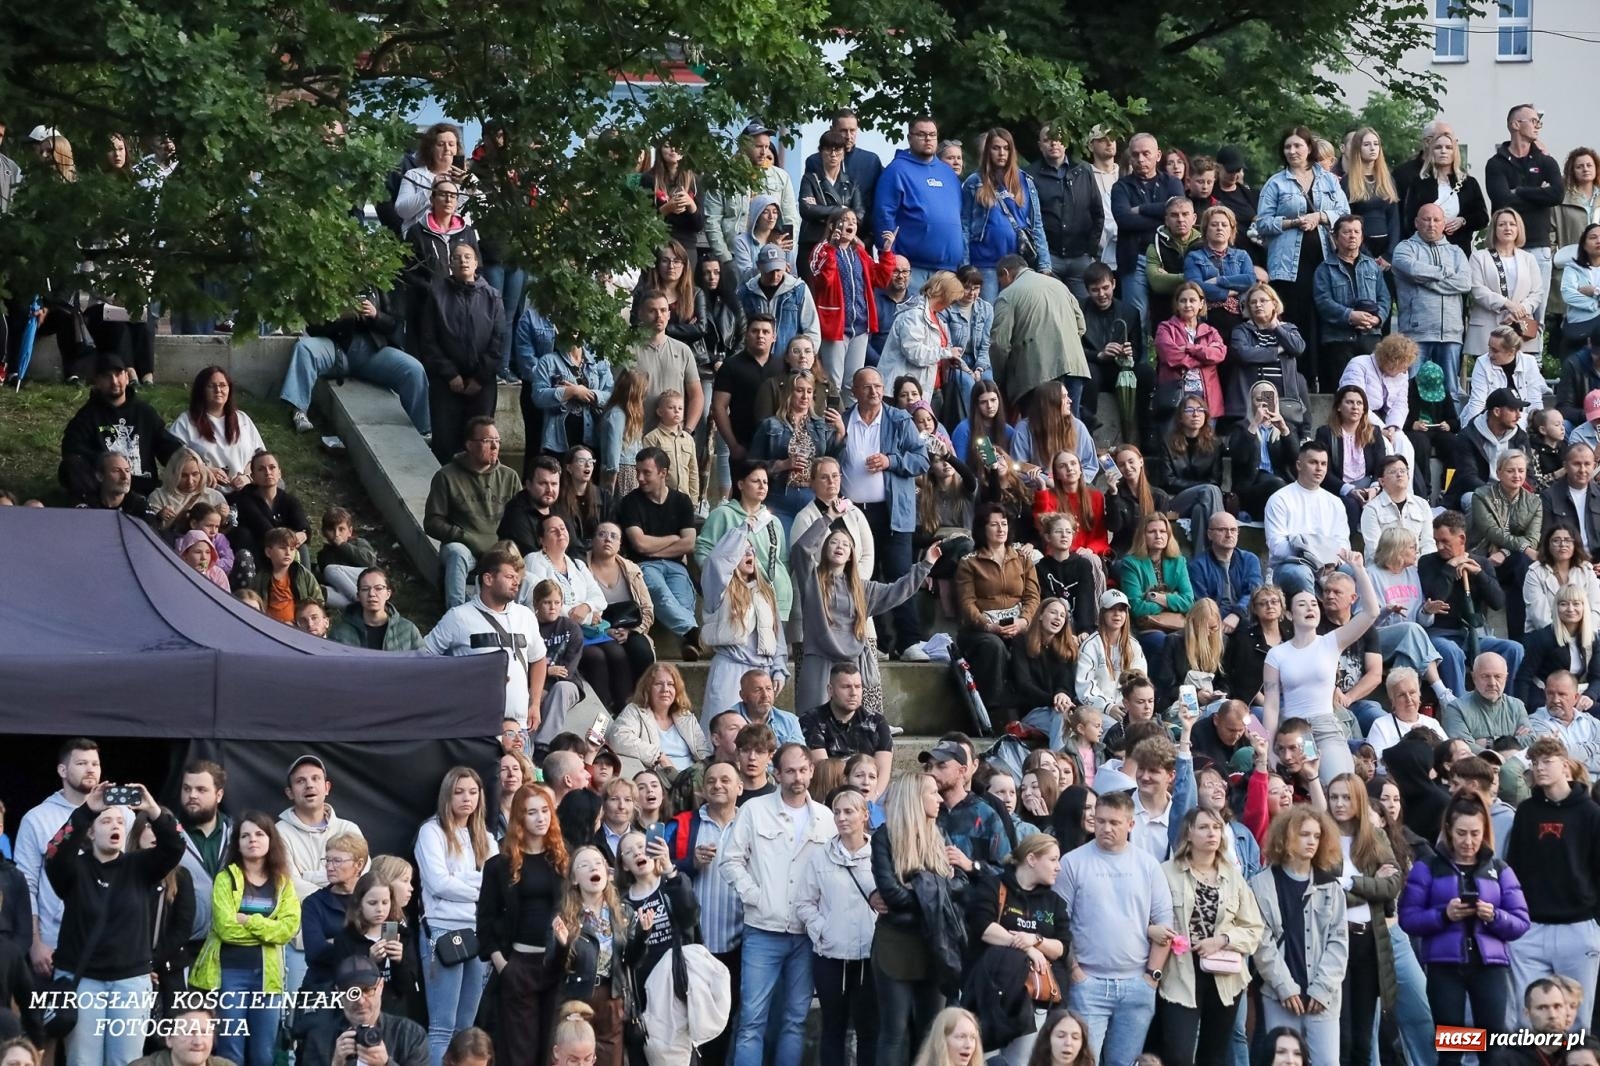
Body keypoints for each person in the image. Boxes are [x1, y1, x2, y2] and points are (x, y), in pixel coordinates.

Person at [45, 781, 183, 1066]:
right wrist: (85, 812)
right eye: (105, 821)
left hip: (130, 982)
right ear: (91, 832)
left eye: (119, 821)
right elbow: (54, 853)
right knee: (83, 1061)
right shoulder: (74, 869)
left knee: (127, 1062)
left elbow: (176, 845)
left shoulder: (140, 865)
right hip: (83, 981)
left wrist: (154, 810)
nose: (114, 826)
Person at [718, 744, 835, 1066]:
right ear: (777, 773)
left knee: (795, 1020)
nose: (797, 777)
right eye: (790, 771)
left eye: (802, 770)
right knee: (752, 1020)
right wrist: (754, 896)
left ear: (811, 770)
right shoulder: (755, 810)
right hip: (763, 930)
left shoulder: (826, 818)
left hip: (806, 933)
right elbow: (729, 861)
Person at [1053, 787, 1172, 1066]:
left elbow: (1165, 924)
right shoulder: (1071, 863)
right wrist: (1075, 971)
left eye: (1114, 822)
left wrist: (1151, 978)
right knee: (1083, 1062)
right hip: (1087, 983)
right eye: (1100, 821)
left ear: (1131, 824)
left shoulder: (1148, 865)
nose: (1106, 827)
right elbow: (1060, 924)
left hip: (1136, 985)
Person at [792, 499, 934, 714]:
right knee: (811, 723)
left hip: (850, 663)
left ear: (852, 555)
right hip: (819, 661)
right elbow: (801, 550)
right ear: (824, 549)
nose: (840, 546)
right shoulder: (812, 580)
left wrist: (925, 565)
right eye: (833, 542)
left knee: (849, 726)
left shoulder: (863, 588)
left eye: (845, 544)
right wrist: (828, 517)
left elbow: (898, 591)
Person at [1154, 807, 1264, 1066]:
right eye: (1203, 827)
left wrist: (1222, 940)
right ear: (1189, 833)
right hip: (1179, 972)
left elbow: (1253, 928)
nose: (1211, 833)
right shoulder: (1166, 872)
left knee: (1213, 1056)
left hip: (1224, 975)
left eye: (1216, 828)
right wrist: (1153, 930)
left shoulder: (1233, 876)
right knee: (1177, 1054)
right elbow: (1147, 918)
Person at [187, 811, 298, 1066]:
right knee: (230, 1051)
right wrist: (268, 928)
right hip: (230, 975)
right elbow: (226, 929)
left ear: (271, 839)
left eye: (259, 834)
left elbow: (288, 929)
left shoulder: (283, 882)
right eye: (245, 835)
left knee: (263, 1054)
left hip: (267, 980)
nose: (252, 840)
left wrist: (249, 920)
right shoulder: (226, 878)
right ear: (236, 843)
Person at [871, 773, 966, 1066]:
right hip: (895, 946)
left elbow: (961, 884)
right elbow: (891, 894)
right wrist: (935, 888)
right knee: (894, 1032)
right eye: (932, 793)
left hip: (935, 943)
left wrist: (921, 887)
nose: (939, 799)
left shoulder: (940, 833)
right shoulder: (884, 837)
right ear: (913, 799)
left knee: (931, 1032)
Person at [1262, 549, 1378, 784]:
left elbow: (1371, 612)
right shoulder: (1276, 654)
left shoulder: (1331, 642)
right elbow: (1272, 706)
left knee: (1340, 786)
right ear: (1289, 614)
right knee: (1307, 792)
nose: (1310, 608)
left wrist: (1358, 569)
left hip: (1325, 725)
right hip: (1294, 731)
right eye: (1302, 604)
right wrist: (1269, 749)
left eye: (1314, 604)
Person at [1248, 806, 1348, 1066]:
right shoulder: (1261, 884)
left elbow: (1339, 943)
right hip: (1279, 994)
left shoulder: (1330, 886)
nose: (1312, 841)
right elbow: (1262, 943)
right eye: (1305, 834)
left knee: (1327, 1061)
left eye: (1316, 836)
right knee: (1281, 1062)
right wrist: (1285, 987)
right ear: (1287, 836)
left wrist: (1322, 988)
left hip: (1323, 997)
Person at [1254, 126, 1352, 390]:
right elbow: (1261, 224)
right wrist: (1292, 222)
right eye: (1288, 147)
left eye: (1297, 146)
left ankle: (1328, 382)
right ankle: (1298, 383)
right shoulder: (1275, 182)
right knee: (1295, 320)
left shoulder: (1330, 180)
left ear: (1309, 148)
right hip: (1288, 267)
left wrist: (1319, 217)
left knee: (1323, 320)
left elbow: (1344, 213)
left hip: (1325, 261)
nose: (1292, 151)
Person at [960, 833, 1069, 1066]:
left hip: (1032, 997)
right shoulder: (993, 885)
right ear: (1031, 859)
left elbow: (1062, 947)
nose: (1058, 867)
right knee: (983, 1060)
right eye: (1053, 860)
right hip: (989, 993)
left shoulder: (1054, 901)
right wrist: (1027, 948)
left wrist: (1036, 941)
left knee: (1022, 1062)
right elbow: (983, 927)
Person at [793, 785, 880, 1066]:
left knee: (869, 1030)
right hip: (831, 955)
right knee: (833, 1028)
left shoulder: (881, 856)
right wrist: (822, 930)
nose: (842, 817)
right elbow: (805, 902)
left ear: (864, 815)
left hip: (870, 956)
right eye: (837, 812)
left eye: (849, 811)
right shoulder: (820, 856)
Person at [414, 768, 492, 1064]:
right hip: (442, 931)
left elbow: (495, 881)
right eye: (459, 792)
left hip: (478, 933)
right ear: (447, 794)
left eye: (473, 792)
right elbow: (437, 882)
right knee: (442, 1028)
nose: (467, 798)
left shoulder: (483, 835)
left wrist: (459, 880)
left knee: (466, 1030)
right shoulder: (431, 831)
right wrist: (476, 884)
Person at [424, 545, 548, 729]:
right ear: (488, 579)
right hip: (473, 724)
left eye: (517, 578)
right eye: (509, 577)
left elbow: (538, 659)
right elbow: (424, 655)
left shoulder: (526, 615)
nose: (516, 583)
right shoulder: (458, 617)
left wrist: (535, 704)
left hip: (518, 726)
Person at [418, 242, 504, 464]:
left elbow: (498, 341)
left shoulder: (493, 297)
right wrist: (450, 374)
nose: (463, 261)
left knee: (482, 444)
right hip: (446, 383)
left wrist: (480, 377)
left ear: (476, 263)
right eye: (457, 257)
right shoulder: (436, 295)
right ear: (450, 264)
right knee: (445, 444)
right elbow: (428, 340)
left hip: (482, 384)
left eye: (468, 256)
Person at [1420, 510, 1529, 685]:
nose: (1439, 547)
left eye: (1445, 541)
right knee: (1451, 650)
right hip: (1440, 635)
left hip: (1475, 635)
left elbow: (1498, 602)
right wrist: (1449, 569)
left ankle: (1507, 705)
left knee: (1514, 649)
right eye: (1436, 541)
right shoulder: (1427, 562)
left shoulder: (1482, 563)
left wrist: (1479, 574)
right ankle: (1458, 706)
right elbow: (1436, 597)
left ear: (1461, 539)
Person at [424, 416, 522, 609]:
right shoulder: (446, 476)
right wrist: (462, 536)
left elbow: (520, 518)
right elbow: (432, 522)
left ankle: (515, 616)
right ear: (469, 444)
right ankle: (455, 614)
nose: (494, 447)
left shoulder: (510, 477)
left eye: (497, 441)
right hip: (466, 548)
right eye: (487, 441)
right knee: (456, 552)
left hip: (501, 550)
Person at [59, 353, 183, 502]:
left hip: (143, 488)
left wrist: (195, 463)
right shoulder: (87, 416)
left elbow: (167, 446)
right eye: (107, 376)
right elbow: (72, 450)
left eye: (118, 374)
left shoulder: (144, 412)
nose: (114, 381)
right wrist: (105, 464)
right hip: (105, 492)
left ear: (126, 376)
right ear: (97, 381)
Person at [617, 448, 702, 654]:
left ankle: (692, 643)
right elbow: (639, 545)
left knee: (684, 601)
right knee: (662, 596)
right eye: (638, 472)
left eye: (646, 472)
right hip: (644, 566)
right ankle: (697, 637)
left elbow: (689, 543)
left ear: (663, 473)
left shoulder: (681, 501)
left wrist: (654, 549)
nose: (640, 478)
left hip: (676, 566)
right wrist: (673, 539)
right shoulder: (630, 502)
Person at [1485, 104, 1565, 316]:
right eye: (1533, 120)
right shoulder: (1496, 164)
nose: (1538, 125)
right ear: (1515, 125)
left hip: (1539, 247)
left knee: (1535, 317)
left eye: (1539, 121)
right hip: (1505, 248)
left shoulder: (1547, 161)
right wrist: (1539, 194)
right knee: (1507, 315)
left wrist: (1518, 191)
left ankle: (1533, 352)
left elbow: (1557, 195)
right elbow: (1502, 200)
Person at [1393, 203, 1473, 406]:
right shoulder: (1404, 249)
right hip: (1416, 332)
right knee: (1413, 390)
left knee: (1451, 391)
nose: (1431, 224)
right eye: (1426, 219)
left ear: (1444, 223)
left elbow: (1464, 283)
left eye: (1436, 220)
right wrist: (1443, 272)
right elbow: (1411, 269)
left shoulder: (1456, 252)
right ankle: (1414, 431)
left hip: (1451, 333)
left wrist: (1427, 279)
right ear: (1417, 223)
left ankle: (1452, 432)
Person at [962, 128, 1053, 301]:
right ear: (988, 150)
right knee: (988, 317)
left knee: (1018, 319)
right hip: (984, 263)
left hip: (1017, 265)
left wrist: (1045, 263)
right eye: (996, 148)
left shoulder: (1025, 181)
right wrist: (965, 265)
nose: (1002, 153)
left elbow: (1037, 225)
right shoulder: (974, 182)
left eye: (1006, 148)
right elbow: (964, 225)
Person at [874, 117, 966, 286]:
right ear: (910, 138)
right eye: (922, 134)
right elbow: (884, 215)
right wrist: (889, 256)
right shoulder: (896, 170)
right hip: (911, 268)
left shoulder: (948, 174)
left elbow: (961, 218)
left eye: (932, 135)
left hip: (949, 270)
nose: (928, 139)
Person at [1111, 133, 1185, 328]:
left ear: (1158, 155)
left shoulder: (1172, 183)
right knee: (1137, 317)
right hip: (1136, 258)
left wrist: (1141, 210)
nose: (1140, 159)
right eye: (1135, 154)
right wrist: (1162, 216)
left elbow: (1178, 213)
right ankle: (1138, 359)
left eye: (1146, 153)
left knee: (1173, 314)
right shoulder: (1121, 187)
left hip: (1168, 257)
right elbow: (1124, 220)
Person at [301, 955, 429, 1066]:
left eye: (367, 990)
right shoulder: (318, 1039)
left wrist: (386, 1063)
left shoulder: (410, 1035)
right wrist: (336, 1063)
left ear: (380, 987)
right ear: (338, 993)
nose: (360, 1001)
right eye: (352, 993)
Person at [1263, 442, 1349, 601]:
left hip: (1329, 565)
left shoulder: (1335, 502)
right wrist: (1316, 558)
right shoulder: (1280, 499)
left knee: (1353, 572)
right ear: (1299, 465)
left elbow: (1343, 544)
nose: (1319, 468)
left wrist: (1327, 562)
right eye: (1313, 462)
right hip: (1289, 567)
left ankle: (1353, 624)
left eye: (1323, 463)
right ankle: (1316, 622)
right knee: (1302, 574)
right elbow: (1277, 547)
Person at [1030, 125, 1104, 299]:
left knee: (1084, 310)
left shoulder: (1083, 171)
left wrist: (1091, 251)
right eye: (1047, 140)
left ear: (1066, 143)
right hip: (1048, 257)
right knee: (1051, 309)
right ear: (1040, 145)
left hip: (1081, 257)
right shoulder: (1029, 175)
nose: (1053, 144)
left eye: (1058, 139)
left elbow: (1098, 213)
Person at [1313, 216, 1389, 376]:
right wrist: (1350, 315)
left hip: (1370, 337)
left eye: (1356, 231)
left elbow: (1385, 298)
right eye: (1347, 232)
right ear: (1335, 237)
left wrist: (1377, 319)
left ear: (1362, 236)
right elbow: (1323, 302)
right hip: (1339, 340)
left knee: (1371, 391)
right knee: (1344, 392)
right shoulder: (1325, 269)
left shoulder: (1373, 266)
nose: (1352, 236)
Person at [608, 663, 710, 778]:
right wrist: (658, 756)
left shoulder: (685, 716)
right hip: (661, 779)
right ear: (647, 688)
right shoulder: (635, 711)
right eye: (658, 684)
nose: (665, 689)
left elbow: (703, 752)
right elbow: (618, 738)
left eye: (671, 684)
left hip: (693, 779)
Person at [1152, 396, 1226, 542]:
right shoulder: (1167, 442)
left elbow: (1216, 480)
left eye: (1200, 410)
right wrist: (1202, 488)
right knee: (1210, 490)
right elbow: (1168, 481)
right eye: (1190, 409)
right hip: (1176, 500)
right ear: (1180, 416)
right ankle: (1222, 542)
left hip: (1206, 499)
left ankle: (1202, 558)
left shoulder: (1215, 444)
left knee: (1200, 510)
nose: (1196, 414)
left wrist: (1203, 490)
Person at [1154, 282, 1226, 421]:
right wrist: (1204, 359)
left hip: (1207, 399)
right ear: (1177, 304)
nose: (1187, 305)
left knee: (1205, 442)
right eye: (1183, 301)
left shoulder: (1210, 331)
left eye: (1192, 300)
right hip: (1176, 397)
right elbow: (1170, 356)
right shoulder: (1166, 328)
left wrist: (1191, 348)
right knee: (1175, 442)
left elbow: (1219, 354)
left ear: (1201, 303)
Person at [329, 566, 426, 650]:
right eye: (365, 589)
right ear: (358, 596)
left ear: (388, 594)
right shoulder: (340, 633)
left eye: (378, 588)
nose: (371, 594)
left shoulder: (408, 630)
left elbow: (421, 665)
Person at [1527, 670, 1600, 774]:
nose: (1556, 700)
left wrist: (1567, 759)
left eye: (1562, 694)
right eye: (1551, 693)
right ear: (1545, 694)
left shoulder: (1592, 722)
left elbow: (1561, 758)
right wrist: (1595, 746)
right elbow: (1555, 756)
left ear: (1576, 697)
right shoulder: (1535, 722)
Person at [1541, 442, 1600, 560]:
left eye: (1587, 464)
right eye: (1576, 464)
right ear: (1565, 466)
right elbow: (1546, 539)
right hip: (1566, 563)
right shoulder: (1549, 497)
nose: (1582, 470)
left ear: (1594, 466)